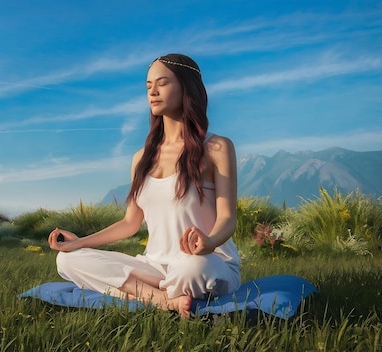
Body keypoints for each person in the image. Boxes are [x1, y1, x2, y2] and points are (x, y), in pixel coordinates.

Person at [48, 53, 240, 318]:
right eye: (148, 86)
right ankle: (164, 300)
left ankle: (138, 291)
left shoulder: (217, 147)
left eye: (162, 83)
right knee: (68, 260)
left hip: (207, 262)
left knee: (191, 270)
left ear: (187, 87)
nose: (153, 92)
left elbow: (228, 217)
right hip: (155, 265)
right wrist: (79, 242)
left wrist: (209, 242)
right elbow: (130, 223)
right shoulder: (141, 158)